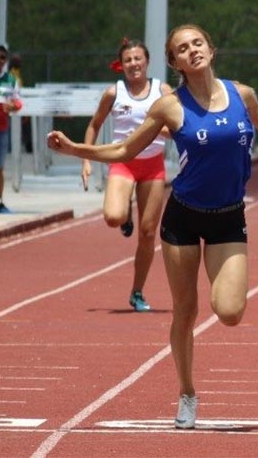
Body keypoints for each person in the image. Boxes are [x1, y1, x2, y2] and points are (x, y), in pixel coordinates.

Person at [47, 24, 258, 429]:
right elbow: (125, 149)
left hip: (229, 217)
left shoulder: (243, 94)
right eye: (182, 49)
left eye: (197, 43)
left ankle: (191, 379)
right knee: (186, 310)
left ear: (211, 49)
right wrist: (77, 149)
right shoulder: (170, 107)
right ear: (175, 62)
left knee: (230, 311)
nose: (192, 51)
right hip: (183, 215)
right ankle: (187, 393)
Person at [81, 39, 174, 312]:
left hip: (153, 165)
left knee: (147, 234)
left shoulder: (162, 90)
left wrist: (166, 133)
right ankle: (126, 214)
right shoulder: (114, 93)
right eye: (128, 60)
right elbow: (94, 125)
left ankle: (137, 292)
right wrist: (86, 160)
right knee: (113, 217)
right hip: (123, 163)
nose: (133, 64)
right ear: (121, 65)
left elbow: (177, 125)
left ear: (147, 61)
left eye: (138, 59)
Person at [0, 44, 22, 214]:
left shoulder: (11, 79)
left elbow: (18, 102)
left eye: (2, 57)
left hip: (0, 130)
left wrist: (13, 106)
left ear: (6, 61)